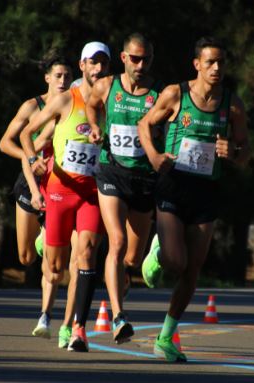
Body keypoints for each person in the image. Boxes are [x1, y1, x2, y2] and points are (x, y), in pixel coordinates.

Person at [138, 36, 250, 362]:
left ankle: (165, 337)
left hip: (206, 191)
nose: (216, 68)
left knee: (193, 269)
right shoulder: (176, 94)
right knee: (176, 262)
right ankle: (158, 252)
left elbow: (245, 152)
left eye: (222, 63)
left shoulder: (232, 104)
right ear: (197, 64)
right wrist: (155, 156)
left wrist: (234, 152)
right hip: (173, 184)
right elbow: (145, 124)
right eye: (210, 62)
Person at [20, 41, 111, 352]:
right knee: (55, 268)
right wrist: (34, 161)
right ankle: (49, 307)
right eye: (92, 63)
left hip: (91, 193)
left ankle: (78, 329)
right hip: (60, 191)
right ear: (82, 67)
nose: (98, 69)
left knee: (86, 254)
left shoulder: (112, 104)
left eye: (104, 64)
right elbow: (25, 135)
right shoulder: (63, 101)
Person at [87, 33, 163, 344]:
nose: (140, 64)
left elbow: (169, 131)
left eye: (146, 59)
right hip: (111, 171)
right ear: (123, 58)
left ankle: (141, 261)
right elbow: (91, 105)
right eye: (135, 58)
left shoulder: (157, 96)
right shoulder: (107, 86)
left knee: (131, 258)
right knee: (115, 242)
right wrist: (94, 125)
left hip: (143, 179)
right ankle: (119, 316)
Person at [0, 52, 74, 342]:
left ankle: (45, 315)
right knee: (26, 256)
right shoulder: (33, 106)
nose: (63, 81)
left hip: (60, 188)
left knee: (53, 268)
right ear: (47, 78)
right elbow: (5, 142)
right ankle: (42, 241)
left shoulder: (75, 105)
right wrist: (30, 158)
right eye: (58, 76)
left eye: (68, 76)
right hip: (30, 182)